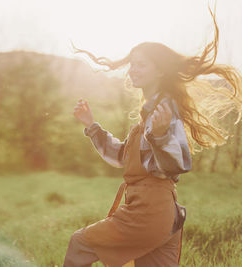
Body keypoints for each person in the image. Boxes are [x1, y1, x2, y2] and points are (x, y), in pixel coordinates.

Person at [64, 8, 242, 267]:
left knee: (80, 243)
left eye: (141, 64)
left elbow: (180, 163)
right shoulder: (150, 113)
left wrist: (160, 137)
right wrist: (92, 126)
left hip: (148, 212)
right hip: (161, 214)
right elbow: (122, 156)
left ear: (160, 71)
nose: (133, 70)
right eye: (132, 64)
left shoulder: (164, 110)